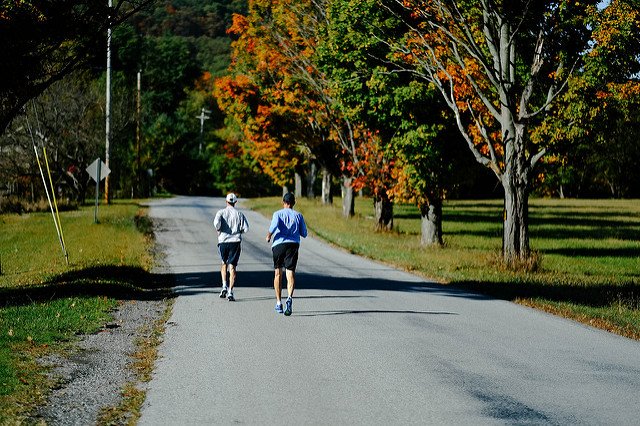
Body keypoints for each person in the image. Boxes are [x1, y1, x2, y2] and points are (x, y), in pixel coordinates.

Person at [266, 192, 307, 316]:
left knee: (278, 273)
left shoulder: (277, 214)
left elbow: (273, 226)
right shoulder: (299, 216)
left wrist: (268, 235)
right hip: (293, 245)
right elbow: (304, 233)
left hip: (279, 245)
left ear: (283, 202)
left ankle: (279, 303)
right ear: (293, 203)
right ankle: (289, 297)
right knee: (290, 273)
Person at [214, 193, 249, 301]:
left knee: (224, 264)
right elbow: (246, 229)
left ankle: (224, 285)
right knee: (232, 267)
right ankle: (230, 292)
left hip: (223, 241)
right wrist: (239, 232)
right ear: (235, 202)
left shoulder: (221, 212)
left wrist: (220, 230)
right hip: (235, 242)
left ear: (226, 201)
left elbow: (216, 224)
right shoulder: (239, 214)